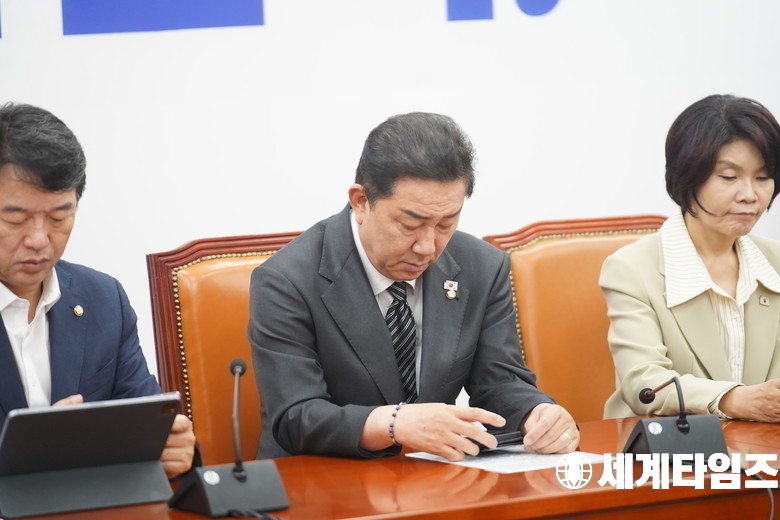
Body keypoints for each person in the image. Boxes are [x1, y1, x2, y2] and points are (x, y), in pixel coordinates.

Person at [249, 112, 578, 460]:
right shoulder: (287, 280)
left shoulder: (481, 267)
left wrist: (536, 413)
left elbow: (499, 381)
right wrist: (393, 423)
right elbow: (296, 416)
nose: (427, 246)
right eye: (410, 225)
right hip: (319, 477)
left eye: (446, 224)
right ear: (361, 202)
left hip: (429, 474)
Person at [0, 102, 196, 477]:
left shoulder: (103, 299)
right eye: (16, 218)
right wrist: (31, 456)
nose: (39, 239)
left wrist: (174, 449)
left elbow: (148, 420)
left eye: (59, 216)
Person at [601, 94, 780, 422]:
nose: (750, 195)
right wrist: (733, 399)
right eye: (729, 177)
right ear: (687, 176)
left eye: (763, 177)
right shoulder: (631, 269)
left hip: (763, 445)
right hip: (665, 446)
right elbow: (645, 383)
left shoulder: (776, 261)